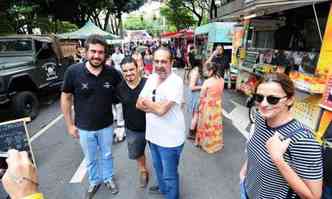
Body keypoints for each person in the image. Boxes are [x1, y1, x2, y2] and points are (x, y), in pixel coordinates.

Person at [239, 73, 323, 199]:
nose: (263, 104)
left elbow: (313, 196)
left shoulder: (303, 140)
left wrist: (278, 159)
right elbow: (256, 150)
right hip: (247, 191)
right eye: (259, 97)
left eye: (273, 99)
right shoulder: (261, 118)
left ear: (290, 100)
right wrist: (244, 173)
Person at [61, 34, 122, 199]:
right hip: (84, 127)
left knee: (107, 154)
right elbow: (66, 98)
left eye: (101, 52)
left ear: (105, 54)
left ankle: (108, 178)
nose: (97, 55)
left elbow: (125, 92)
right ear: (86, 52)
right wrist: (69, 125)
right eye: (93, 51)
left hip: (107, 126)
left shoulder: (113, 73)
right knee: (90, 158)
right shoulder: (73, 72)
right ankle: (94, 181)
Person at [136, 47, 185, 199]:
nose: (159, 65)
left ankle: (171, 195)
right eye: (156, 61)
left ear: (171, 62)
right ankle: (163, 188)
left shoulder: (175, 82)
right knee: (158, 168)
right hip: (153, 136)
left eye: (164, 61)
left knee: (170, 175)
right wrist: (155, 107)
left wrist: (148, 103)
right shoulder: (151, 78)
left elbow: (162, 110)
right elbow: (138, 104)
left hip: (170, 140)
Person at [115, 56, 149, 188]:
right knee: (138, 153)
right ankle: (143, 171)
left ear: (138, 68)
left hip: (153, 127)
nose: (129, 73)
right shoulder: (119, 88)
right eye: (125, 71)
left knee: (159, 154)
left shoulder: (148, 83)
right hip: (133, 129)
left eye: (131, 69)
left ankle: (163, 177)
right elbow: (115, 105)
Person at [195, 62, 224, 153]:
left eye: (207, 71)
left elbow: (201, 96)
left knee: (205, 124)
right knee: (215, 125)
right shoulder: (222, 80)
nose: (205, 72)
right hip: (217, 105)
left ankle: (205, 144)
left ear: (211, 71)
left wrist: (198, 106)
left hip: (208, 105)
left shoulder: (207, 82)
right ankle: (215, 144)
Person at [187, 62, 204, 140]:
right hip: (196, 95)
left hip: (195, 95)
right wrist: (203, 86)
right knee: (196, 114)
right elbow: (192, 87)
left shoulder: (194, 70)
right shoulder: (195, 72)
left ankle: (193, 129)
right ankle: (191, 132)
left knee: (195, 114)